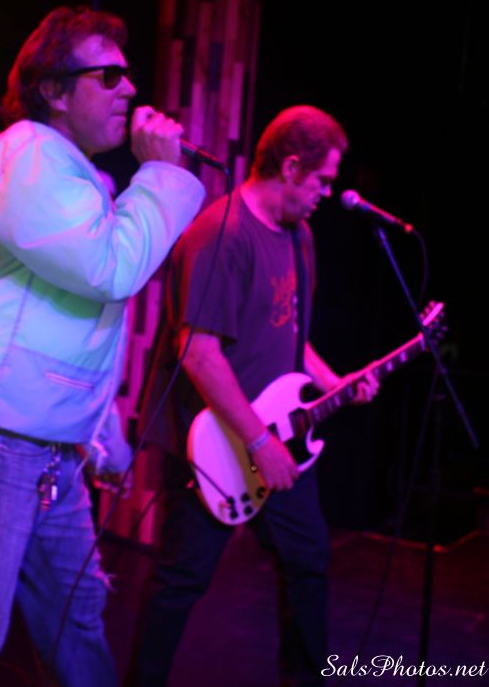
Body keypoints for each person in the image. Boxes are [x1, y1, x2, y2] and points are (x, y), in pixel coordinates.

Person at [0, 5, 205, 687]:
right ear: (54, 91)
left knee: (76, 621)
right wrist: (163, 176)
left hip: (40, 443)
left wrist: (100, 436)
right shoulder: (27, 154)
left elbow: (68, 323)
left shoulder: (73, 174)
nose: (131, 89)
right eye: (109, 76)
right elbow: (108, 269)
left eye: (128, 74)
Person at [132, 106, 378, 686]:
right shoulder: (222, 234)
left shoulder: (300, 236)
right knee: (181, 581)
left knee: (308, 563)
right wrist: (259, 442)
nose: (326, 194)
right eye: (322, 180)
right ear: (290, 167)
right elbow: (199, 353)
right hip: (214, 444)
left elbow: (290, 331)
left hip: (276, 435)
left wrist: (332, 382)